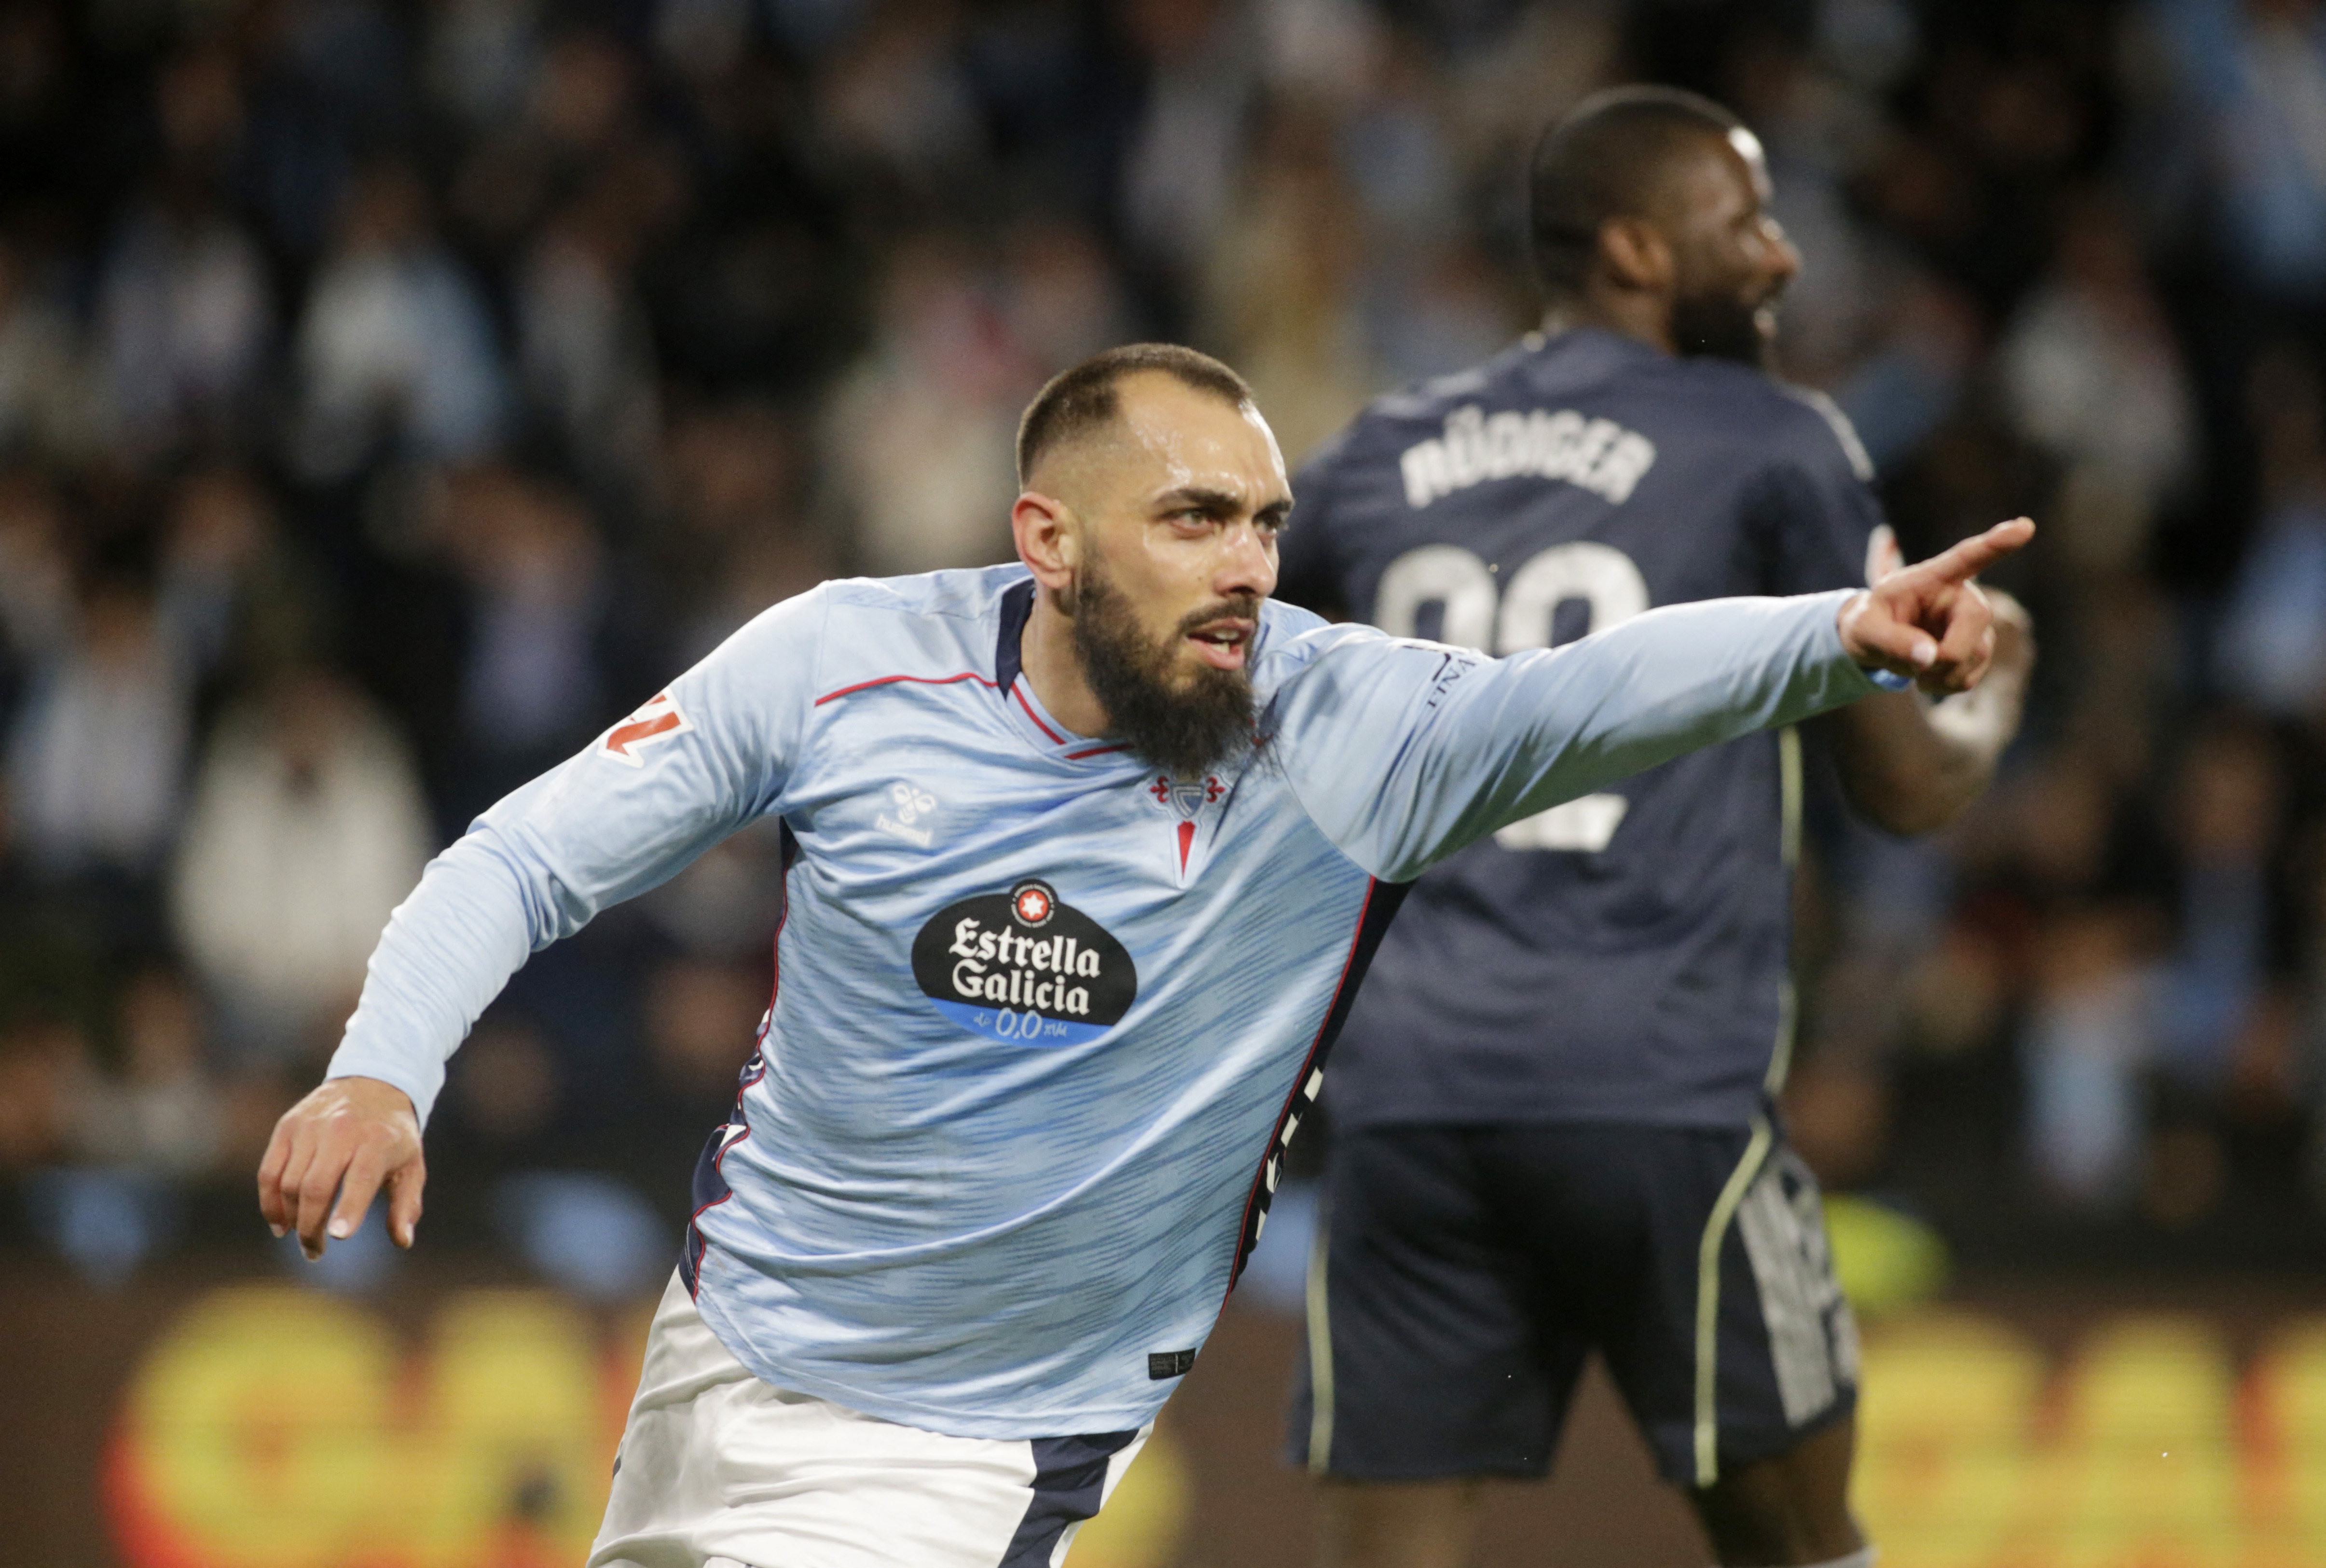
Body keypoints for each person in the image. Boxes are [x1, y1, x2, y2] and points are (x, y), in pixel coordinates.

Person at [256, 342, 2025, 1568]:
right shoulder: (839, 667)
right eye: (1195, 519)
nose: (1252, 563)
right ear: (1049, 539)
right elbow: (529, 853)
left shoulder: (1346, 733)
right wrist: (382, 1063)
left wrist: (1841, 638)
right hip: (730, 1340)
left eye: (1265, 520)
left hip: (985, 1434)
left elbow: (1595, 693)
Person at [1272, 88, 2035, 1568]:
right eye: (1740, 218)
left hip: (1409, 1093)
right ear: (1632, 247)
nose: (1780, 254)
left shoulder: (1370, 454)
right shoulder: (1769, 438)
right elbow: (1904, 784)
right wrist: (2005, 687)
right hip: (1658, 1086)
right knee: (1807, 1550)